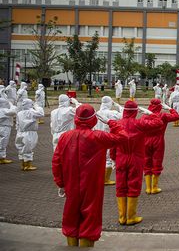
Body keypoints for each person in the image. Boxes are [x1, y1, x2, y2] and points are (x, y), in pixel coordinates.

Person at [52, 104, 127, 247]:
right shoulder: (98, 137)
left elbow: (56, 161)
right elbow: (122, 137)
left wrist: (60, 182)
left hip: (71, 183)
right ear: (93, 119)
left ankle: (72, 247)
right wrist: (111, 122)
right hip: (92, 185)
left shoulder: (64, 137)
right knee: (90, 217)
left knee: (71, 216)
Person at [113, 100, 163, 226]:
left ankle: (122, 217)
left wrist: (114, 158)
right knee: (133, 185)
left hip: (121, 157)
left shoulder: (117, 124)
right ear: (136, 111)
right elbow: (159, 123)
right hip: (135, 158)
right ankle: (131, 217)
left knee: (121, 185)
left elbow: (112, 144)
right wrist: (150, 113)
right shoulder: (140, 123)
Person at [142, 99, 179, 194]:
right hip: (158, 140)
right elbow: (177, 116)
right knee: (157, 162)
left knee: (147, 161)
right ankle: (154, 187)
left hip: (145, 141)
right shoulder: (163, 115)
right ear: (160, 106)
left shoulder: (144, 116)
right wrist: (170, 109)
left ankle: (148, 187)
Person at [95, 96, 124, 186]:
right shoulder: (112, 113)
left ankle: (98, 176)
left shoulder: (97, 113)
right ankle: (106, 179)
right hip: (108, 137)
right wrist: (119, 106)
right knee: (108, 159)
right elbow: (123, 115)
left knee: (98, 158)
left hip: (96, 137)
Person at [15, 99, 44, 170]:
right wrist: (36, 106)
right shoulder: (32, 112)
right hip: (30, 132)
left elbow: (17, 124)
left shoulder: (19, 113)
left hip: (20, 132)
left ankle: (23, 164)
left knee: (21, 148)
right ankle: (28, 165)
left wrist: (18, 131)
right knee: (28, 148)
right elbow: (41, 113)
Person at [0, 98, 17, 164]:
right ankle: (2, 158)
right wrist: (11, 104)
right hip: (5, 127)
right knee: (3, 142)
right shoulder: (4, 110)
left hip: (2, 126)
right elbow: (14, 111)